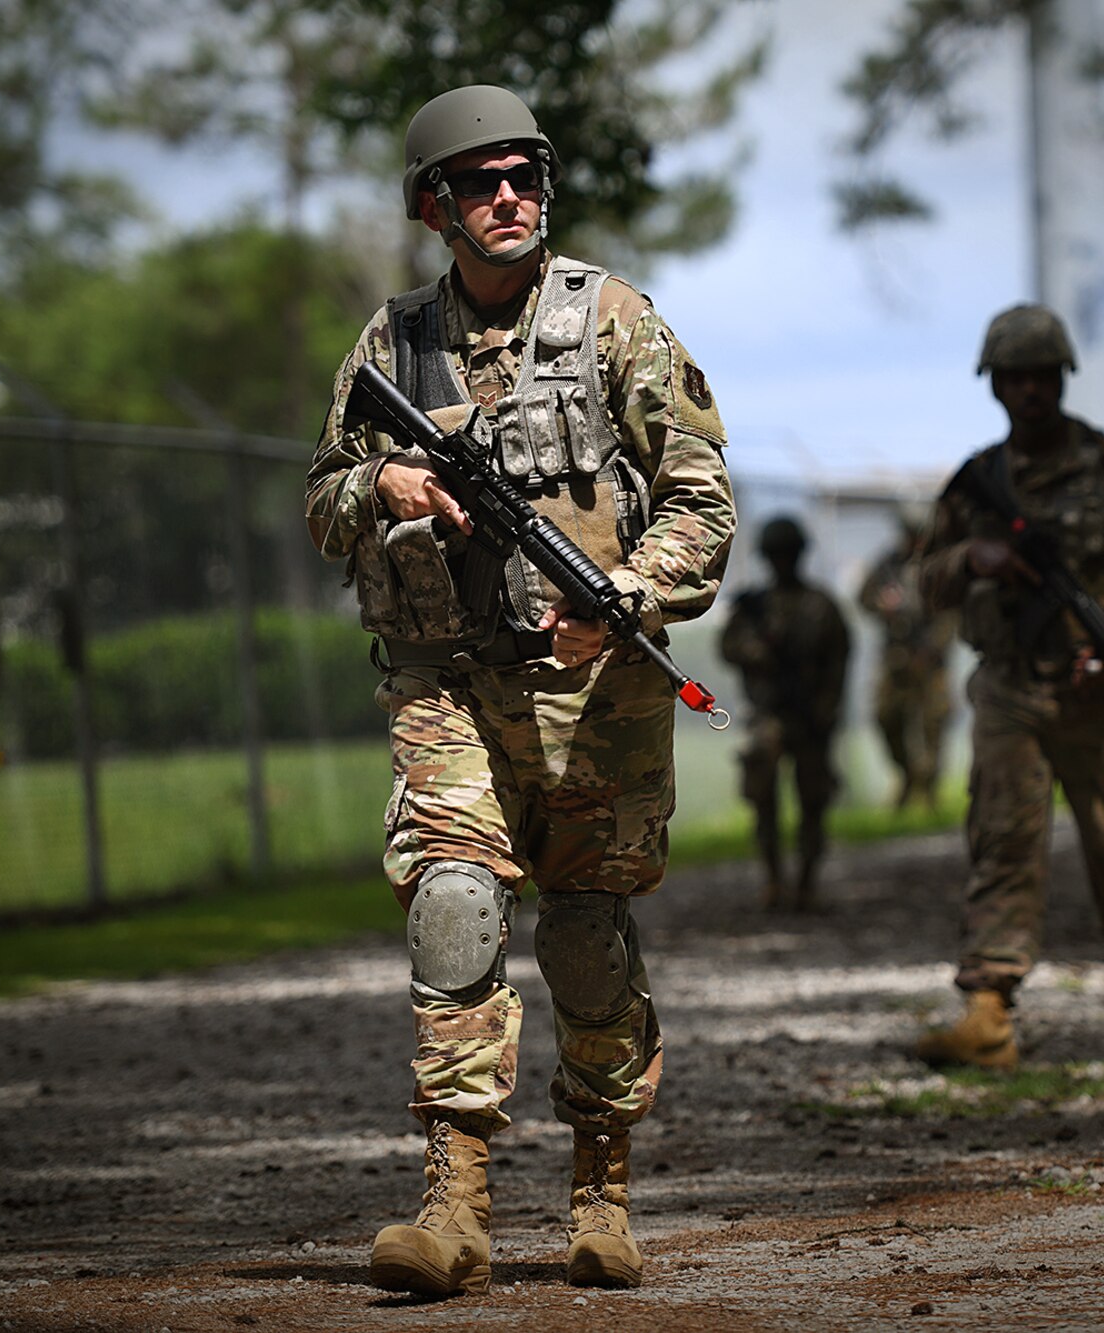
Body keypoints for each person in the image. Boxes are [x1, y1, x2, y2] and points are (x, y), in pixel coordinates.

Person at [303, 85, 734, 1298]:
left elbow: (703, 506)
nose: (507, 198)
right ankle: (455, 1203)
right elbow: (320, 501)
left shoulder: (616, 325)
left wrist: (626, 596)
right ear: (432, 205)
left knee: (587, 937)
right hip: (445, 684)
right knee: (452, 901)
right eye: (480, 182)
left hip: (590, 696)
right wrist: (381, 483)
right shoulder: (390, 347)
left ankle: (601, 1186)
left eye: (523, 177)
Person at [911, 304, 1104, 1070]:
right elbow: (926, 581)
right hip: (1009, 689)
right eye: (1015, 378)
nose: (1030, 391)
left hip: (1101, 700)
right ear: (995, 385)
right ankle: (988, 1011)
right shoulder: (977, 482)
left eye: (1042, 376)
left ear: (1061, 379)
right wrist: (975, 558)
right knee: (1002, 839)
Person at [719, 515, 852, 910]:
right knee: (763, 798)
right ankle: (774, 880)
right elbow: (728, 647)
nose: (781, 562)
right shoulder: (753, 606)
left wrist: (827, 710)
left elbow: (839, 661)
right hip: (767, 715)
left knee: (813, 800)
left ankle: (806, 882)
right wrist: (755, 653)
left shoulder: (820, 605)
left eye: (786, 554)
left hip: (809, 717)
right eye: (776, 555)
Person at [857, 511, 957, 810]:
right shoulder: (889, 564)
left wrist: (934, 646)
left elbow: (952, 613)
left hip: (930, 662)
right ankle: (908, 775)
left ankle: (930, 790)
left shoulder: (938, 566)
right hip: (896, 658)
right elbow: (864, 597)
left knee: (933, 723)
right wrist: (882, 606)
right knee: (887, 718)